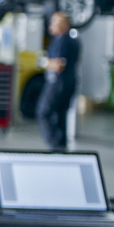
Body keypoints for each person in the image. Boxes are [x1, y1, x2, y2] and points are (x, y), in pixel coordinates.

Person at [37, 11, 81, 151]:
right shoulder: (73, 41)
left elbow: (59, 65)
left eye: (55, 22)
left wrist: (43, 62)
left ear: (64, 25)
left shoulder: (62, 41)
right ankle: (61, 145)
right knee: (61, 114)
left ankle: (54, 144)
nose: (51, 25)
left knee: (43, 111)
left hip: (57, 83)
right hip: (70, 82)